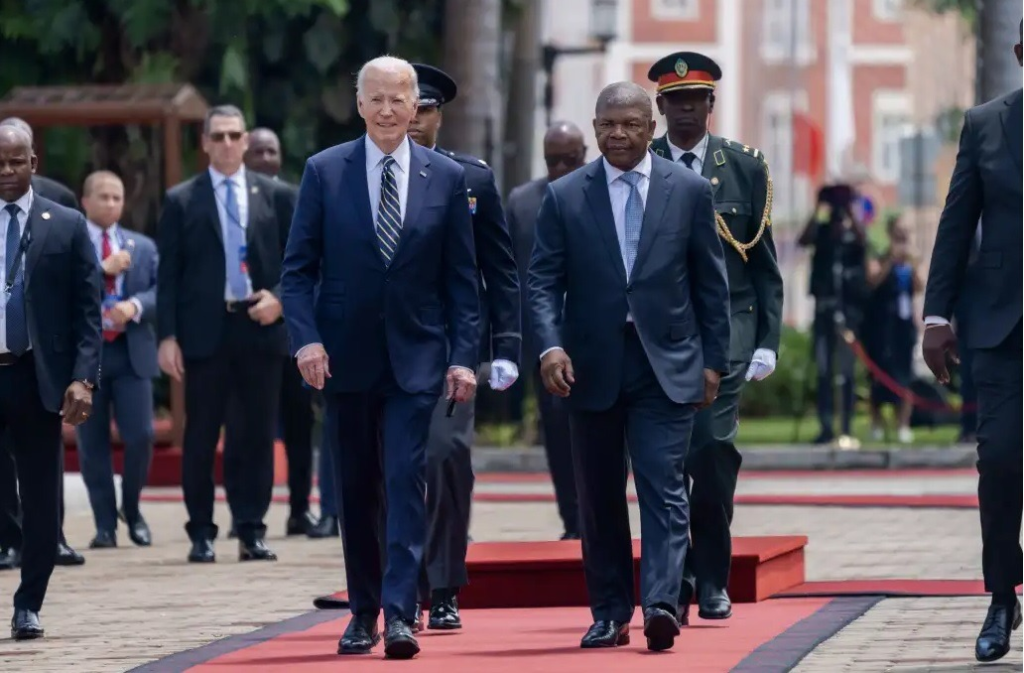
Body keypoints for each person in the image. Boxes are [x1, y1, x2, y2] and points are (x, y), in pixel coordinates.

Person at [281, 56, 480, 660]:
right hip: (344, 360)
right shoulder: (325, 171)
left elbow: (462, 282)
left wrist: (464, 356)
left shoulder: (444, 177)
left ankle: (400, 613)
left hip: (418, 359)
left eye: (401, 99)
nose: (390, 111)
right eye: (378, 99)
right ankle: (362, 610)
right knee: (356, 487)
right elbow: (297, 273)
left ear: (417, 104)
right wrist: (307, 340)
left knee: (404, 477)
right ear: (360, 104)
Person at [529, 81, 730, 651]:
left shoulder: (688, 190)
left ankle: (661, 602)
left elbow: (710, 285)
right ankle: (610, 611)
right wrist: (550, 346)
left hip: (665, 365)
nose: (617, 134)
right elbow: (542, 281)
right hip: (589, 368)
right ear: (595, 129)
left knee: (663, 485)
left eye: (629, 124)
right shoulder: (566, 196)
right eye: (607, 125)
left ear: (651, 127)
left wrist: (714, 361)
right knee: (597, 495)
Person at [646, 51, 783, 623]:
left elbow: (763, 264)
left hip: (725, 334)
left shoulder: (743, 166)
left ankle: (712, 575)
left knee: (710, 452)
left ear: (710, 104)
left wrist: (768, 340)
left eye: (694, 100)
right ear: (660, 107)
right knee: (663, 463)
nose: (684, 111)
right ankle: (672, 584)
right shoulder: (641, 161)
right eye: (674, 101)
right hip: (657, 338)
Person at [921, 21, 1023, 664]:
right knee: (1003, 463)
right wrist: (936, 316)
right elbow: (957, 220)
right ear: (1020, 52)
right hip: (1000, 325)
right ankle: (1001, 596)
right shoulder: (987, 123)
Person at [407, 62, 521, 631]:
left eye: (424, 107)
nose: (413, 117)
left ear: (437, 115)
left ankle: (445, 584)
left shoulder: (469, 178)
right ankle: (401, 583)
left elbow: (501, 270)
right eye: (405, 104)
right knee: (390, 465)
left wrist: (507, 346)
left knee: (445, 455)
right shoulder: (359, 175)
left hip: (454, 344)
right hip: (388, 345)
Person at [157, 105, 294, 564]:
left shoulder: (275, 195)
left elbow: (300, 262)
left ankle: (252, 528)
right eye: (219, 136)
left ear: (246, 139)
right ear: (205, 142)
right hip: (204, 330)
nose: (229, 144)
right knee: (201, 435)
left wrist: (278, 299)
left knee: (255, 434)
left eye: (236, 135)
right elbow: (169, 274)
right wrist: (167, 336)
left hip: (258, 327)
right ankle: (201, 530)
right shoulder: (181, 200)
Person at [0, 125, 102, 639]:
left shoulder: (65, 224)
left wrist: (84, 378)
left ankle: (28, 604)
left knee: (41, 496)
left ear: (33, 162)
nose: (6, 171)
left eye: (15, 162)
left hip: (35, 377)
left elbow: (89, 310)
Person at [506, 121, 586, 541]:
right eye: (551, 160)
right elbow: (509, 274)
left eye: (568, 160)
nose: (559, 168)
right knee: (557, 434)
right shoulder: (522, 201)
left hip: (598, 337)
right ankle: (573, 521)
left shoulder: (603, 192)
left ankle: (597, 517)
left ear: (584, 154)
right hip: (545, 341)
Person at [74, 171, 158, 549]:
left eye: (117, 197)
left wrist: (136, 305)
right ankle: (104, 524)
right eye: (103, 197)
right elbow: (59, 291)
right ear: (85, 202)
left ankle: (133, 507)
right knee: (92, 443)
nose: (111, 204)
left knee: (141, 435)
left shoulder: (142, 246)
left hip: (130, 350)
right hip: (87, 354)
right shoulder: (70, 244)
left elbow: (162, 290)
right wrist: (99, 271)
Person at [242, 127, 318, 537]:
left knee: (298, 425)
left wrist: (280, 300)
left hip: (291, 330)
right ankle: (248, 512)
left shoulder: (291, 196)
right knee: (251, 428)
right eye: (258, 150)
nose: (266, 157)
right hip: (243, 332)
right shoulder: (232, 199)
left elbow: (306, 263)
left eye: (273, 150)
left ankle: (300, 508)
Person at [865, 224, 921, 444]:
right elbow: (873, 282)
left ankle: (903, 424)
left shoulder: (909, 264)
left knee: (905, 375)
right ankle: (877, 422)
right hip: (881, 326)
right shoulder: (882, 259)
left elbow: (919, 287)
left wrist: (912, 264)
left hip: (903, 327)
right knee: (878, 376)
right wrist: (890, 261)